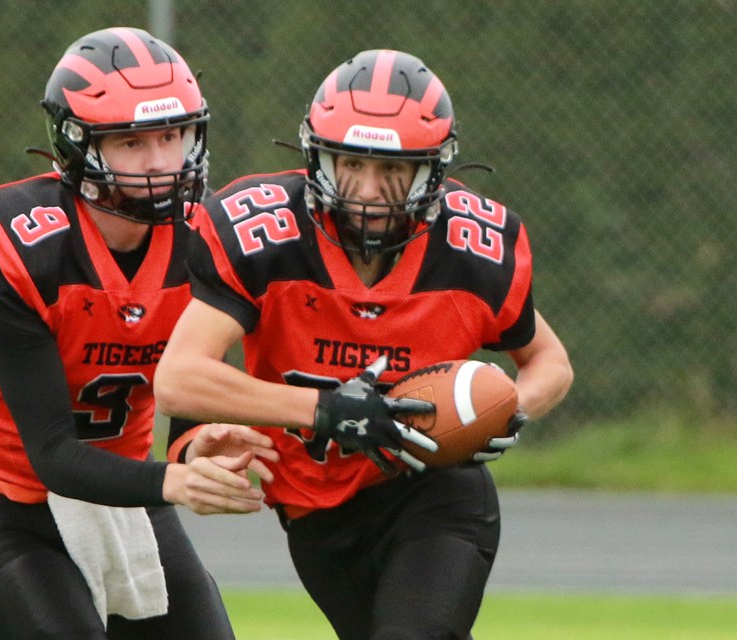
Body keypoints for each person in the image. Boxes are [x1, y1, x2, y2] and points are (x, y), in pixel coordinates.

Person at [155, 49, 573, 640]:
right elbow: (179, 379)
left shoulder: (471, 246)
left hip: (432, 489)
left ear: (433, 170)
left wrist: (510, 407)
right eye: (350, 163)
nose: (369, 191)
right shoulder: (265, 234)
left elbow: (549, 361)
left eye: (394, 170)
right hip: (314, 507)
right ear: (317, 157)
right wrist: (327, 411)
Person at [0, 27, 274, 640]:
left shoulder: (207, 239)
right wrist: (173, 482)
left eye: (171, 136)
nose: (160, 162)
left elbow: (186, 395)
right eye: (132, 141)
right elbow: (54, 456)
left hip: (123, 488)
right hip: (2, 498)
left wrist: (192, 448)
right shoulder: (17, 243)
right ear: (79, 146)